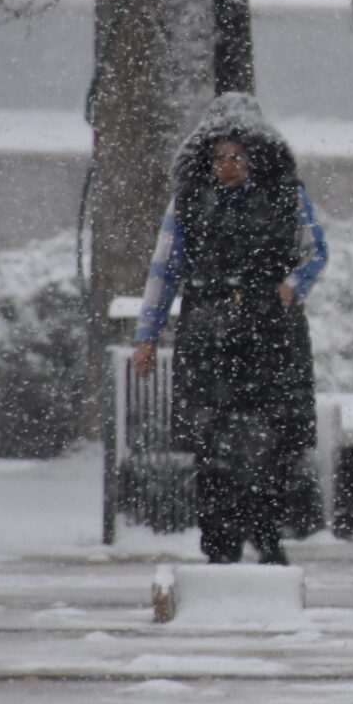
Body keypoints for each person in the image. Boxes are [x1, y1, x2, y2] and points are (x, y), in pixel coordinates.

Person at [130, 95, 327, 565]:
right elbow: (165, 269)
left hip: (271, 337)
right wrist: (147, 335)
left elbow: (315, 251)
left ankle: (266, 532)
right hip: (208, 337)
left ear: (255, 157)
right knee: (211, 443)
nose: (228, 165)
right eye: (219, 157)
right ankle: (219, 541)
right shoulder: (188, 205)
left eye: (237, 156)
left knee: (273, 443)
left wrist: (289, 287)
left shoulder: (287, 196)